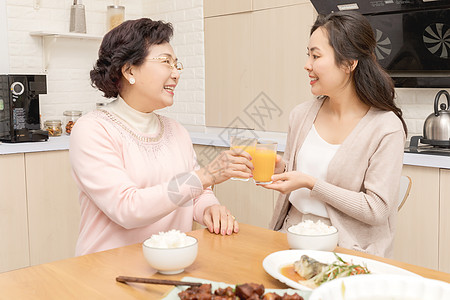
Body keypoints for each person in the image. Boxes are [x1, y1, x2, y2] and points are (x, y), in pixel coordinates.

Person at [69, 18, 253, 256]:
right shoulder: (93, 129)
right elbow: (127, 208)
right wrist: (207, 175)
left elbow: (196, 193)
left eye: (177, 64)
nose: (176, 73)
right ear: (129, 70)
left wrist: (210, 208)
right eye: (166, 62)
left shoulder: (176, 130)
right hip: (107, 270)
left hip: (171, 265)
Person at [262, 11, 407, 258]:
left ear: (350, 63)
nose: (307, 64)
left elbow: (377, 209)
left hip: (350, 251)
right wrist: (280, 172)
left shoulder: (386, 128)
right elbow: (295, 179)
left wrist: (311, 183)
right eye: (308, 54)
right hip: (292, 238)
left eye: (316, 56)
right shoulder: (301, 115)